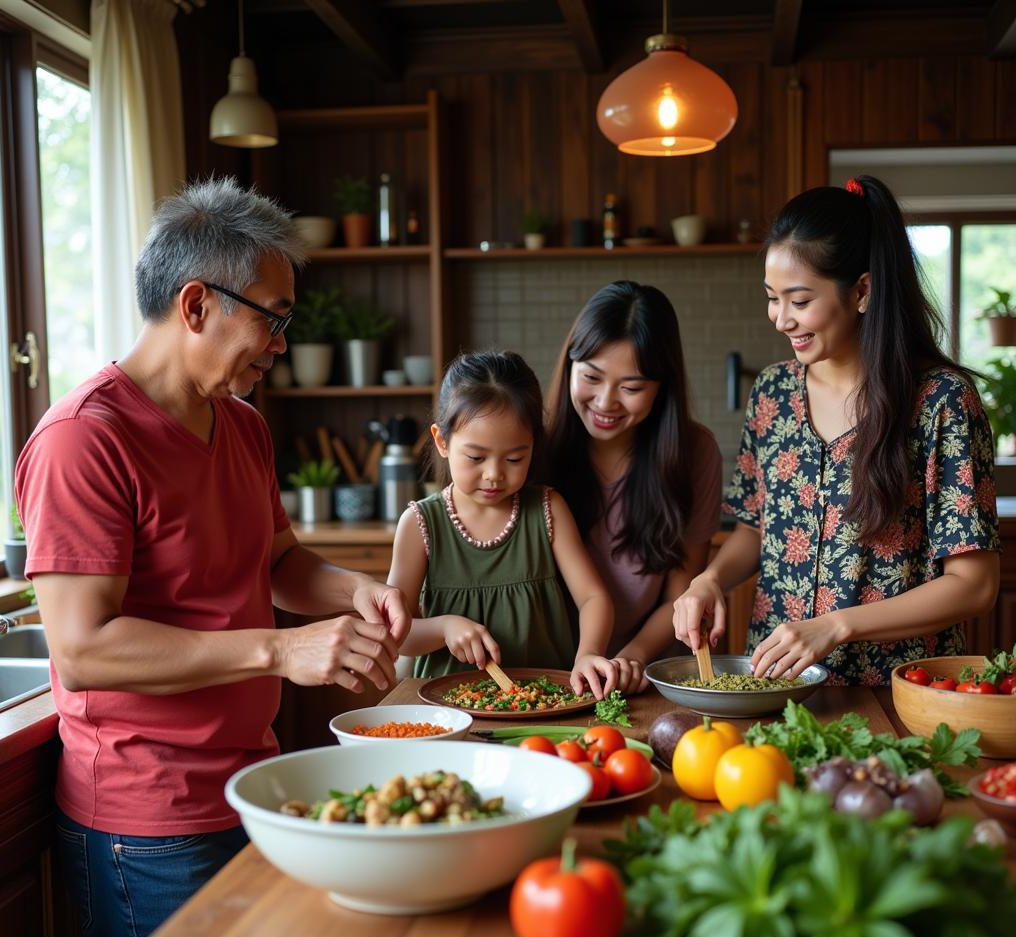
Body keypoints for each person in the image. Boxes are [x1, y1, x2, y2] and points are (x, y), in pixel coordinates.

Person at [13, 178, 410, 937]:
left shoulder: (244, 425)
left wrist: (353, 592)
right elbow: (82, 649)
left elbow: (276, 562)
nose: (280, 341)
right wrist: (279, 648)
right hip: (144, 820)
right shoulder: (84, 440)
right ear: (197, 304)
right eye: (272, 316)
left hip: (251, 786)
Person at [673, 175, 1000, 686]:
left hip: (897, 694)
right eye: (771, 297)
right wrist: (710, 580)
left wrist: (836, 626)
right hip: (776, 688)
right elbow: (755, 530)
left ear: (862, 292)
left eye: (799, 301)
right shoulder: (773, 392)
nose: (780, 319)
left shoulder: (941, 402)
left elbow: (974, 585)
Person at [387, 350, 619, 698]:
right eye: (476, 457)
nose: (494, 474)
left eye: (515, 458)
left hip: (546, 703)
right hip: (449, 710)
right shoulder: (420, 523)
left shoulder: (547, 509)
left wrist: (588, 654)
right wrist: (444, 628)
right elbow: (394, 632)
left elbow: (593, 598)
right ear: (442, 441)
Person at [544, 281, 723, 693]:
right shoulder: (535, 450)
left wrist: (634, 656)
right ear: (570, 365)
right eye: (591, 376)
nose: (606, 402)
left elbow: (679, 595)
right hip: (546, 675)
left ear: (662, 389)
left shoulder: (695, 454)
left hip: (643, 679)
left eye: (631, 388)